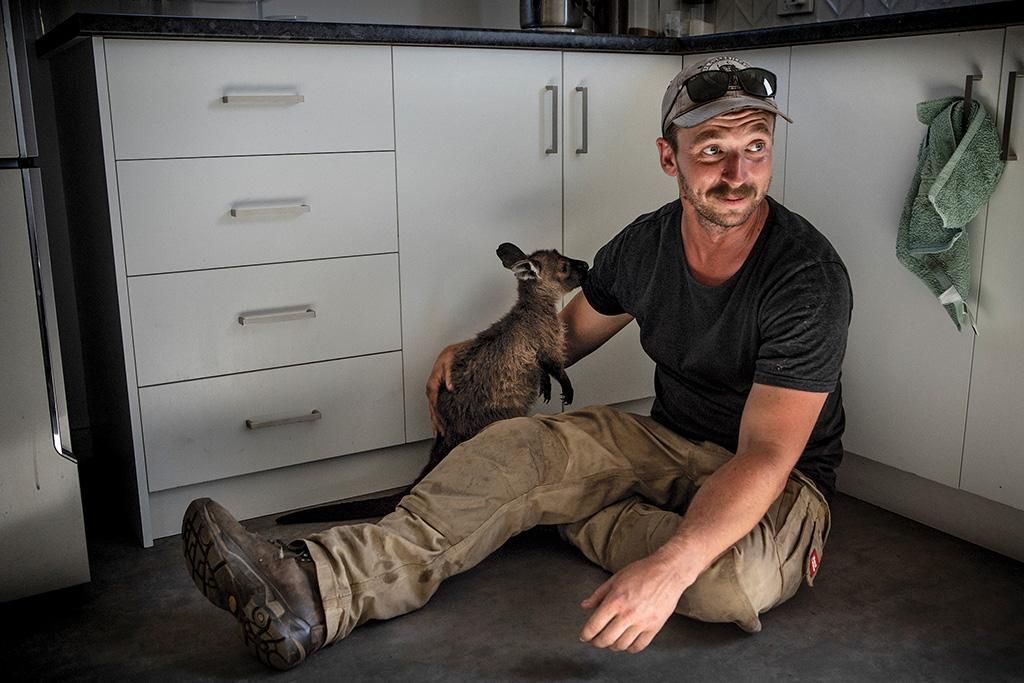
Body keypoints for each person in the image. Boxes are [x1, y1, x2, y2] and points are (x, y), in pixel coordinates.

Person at [182, 55, 852, 671]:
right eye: (712, 150)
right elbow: (561, 341)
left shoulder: (804, 276)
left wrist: (674, 564)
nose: (738, 175)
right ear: (668, 157)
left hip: (783, 482)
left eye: (755, 148)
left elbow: (766, 452)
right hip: (668, 440)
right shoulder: (645, 248)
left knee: (729, 581)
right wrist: (479, 357)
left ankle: (558, 508)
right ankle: (313, 588)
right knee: (514, 448)